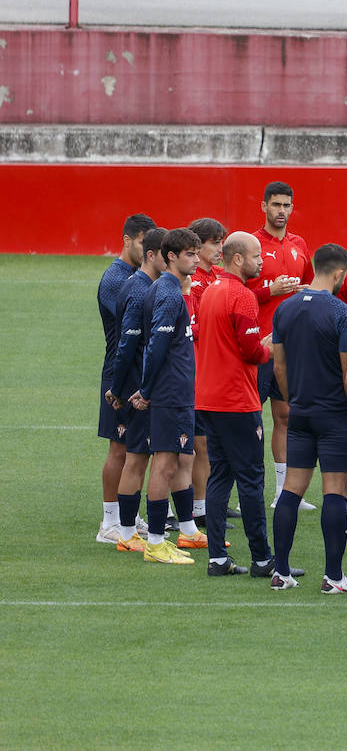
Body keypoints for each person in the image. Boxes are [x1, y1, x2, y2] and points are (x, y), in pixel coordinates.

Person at [271, 243, 347, 592]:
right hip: (336, 416)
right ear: (340, 274)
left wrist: (294, 399)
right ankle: (333, 577)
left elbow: (278, 366)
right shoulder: (342, 314)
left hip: (301, 412)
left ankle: (281, 572)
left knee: (291, 490)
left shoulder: (284, 309)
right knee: (335, 492)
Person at [197, 230, 281, 577]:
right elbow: (250, 351)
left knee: (220, 476)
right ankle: (262, 559)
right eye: (257, 255)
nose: (262, 261)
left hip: (208, 398)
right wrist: (270, 347)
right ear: (237, 259)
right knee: (250, 479)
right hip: (236, 401)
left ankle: (217, 558)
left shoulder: (211, 291)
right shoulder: (243, 296)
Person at [132, 228, 205, 566]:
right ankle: (157, 544)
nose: (196, 259)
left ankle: (169, 538)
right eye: (190, 254)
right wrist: (147, 390)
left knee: (175, 461)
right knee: (164, 465)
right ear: (171, 256)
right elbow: (156, 346)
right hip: (170, 393)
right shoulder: (168, 293)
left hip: (178, 391)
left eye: (197, 252)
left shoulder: (172, 290)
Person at [253, 181, 314, 510]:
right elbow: (235, 292)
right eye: (275, 205)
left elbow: (310, 283)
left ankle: (283, 492)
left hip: (293, 346)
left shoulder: (299, 244)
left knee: (286, 415)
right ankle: (240, 489)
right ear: (263, 206)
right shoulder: (251, 245)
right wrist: (270, 291)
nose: (281, 211)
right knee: (250, 419)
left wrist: (302, 290)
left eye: (286, 206)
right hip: (258, 344)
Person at [96, 212, 155, 544]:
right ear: (128, 240)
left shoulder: (133, 275)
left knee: (135, 448)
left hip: (134, 370)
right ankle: (108, 523)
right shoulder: (116, 280)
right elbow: (127, 335)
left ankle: (126, 516)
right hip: (118, 372)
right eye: (144, 243)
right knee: (119, 449)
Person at [107, 226, 166, 553]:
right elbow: (127, 344)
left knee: (139, 457)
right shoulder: (139, 290)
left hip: (135, 385)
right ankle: (127, 534)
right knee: (136, 458)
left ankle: (130, 529)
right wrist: (122, 388)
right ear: (152, 256)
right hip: (136, 389)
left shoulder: (143, 286)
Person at [186, 216, 228, 532]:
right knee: (199, 445)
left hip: (213, 371)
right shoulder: (193, 281)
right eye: (215, 243)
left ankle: (207, 506)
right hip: (195, 373)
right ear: (197, 246)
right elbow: (189, 328)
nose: (220, 249)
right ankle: (197, 511)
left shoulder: (216, 276)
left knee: (209, 445)